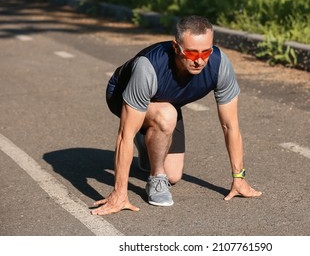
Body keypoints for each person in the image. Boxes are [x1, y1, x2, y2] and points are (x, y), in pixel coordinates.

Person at [91, 15, 261, 215]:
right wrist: (119, 193)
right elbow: (124, 135)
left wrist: (238, 178)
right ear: (176, 47)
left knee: (173, 174)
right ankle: (156, 178)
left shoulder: (219, 64)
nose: (199, 60)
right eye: (191, 53)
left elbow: (230, 125)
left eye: (206, 51)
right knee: (166, 116)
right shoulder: (149, 67)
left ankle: (147, 142)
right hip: (122, 95)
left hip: (167, 102)